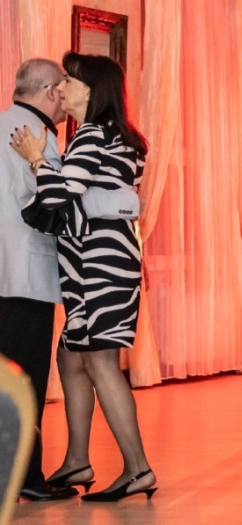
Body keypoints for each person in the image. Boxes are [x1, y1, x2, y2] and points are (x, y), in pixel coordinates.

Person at [8, 54, 155, 502]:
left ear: (91, 90)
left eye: (69, 80)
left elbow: (58, 196)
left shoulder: (93, 134)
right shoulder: (115, 135)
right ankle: (77, 460)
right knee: (71, 357)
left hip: (97, 262)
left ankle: (138, 469)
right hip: (97, 258)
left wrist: (37, 160)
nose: (61, 88)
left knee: (100, 360)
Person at [1, 58, 78, 502]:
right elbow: (51, 201)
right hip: (25, 276)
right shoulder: (39, 137)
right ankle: (25, 477)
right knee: (25, 379)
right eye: (62, 91)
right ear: (50, 91)